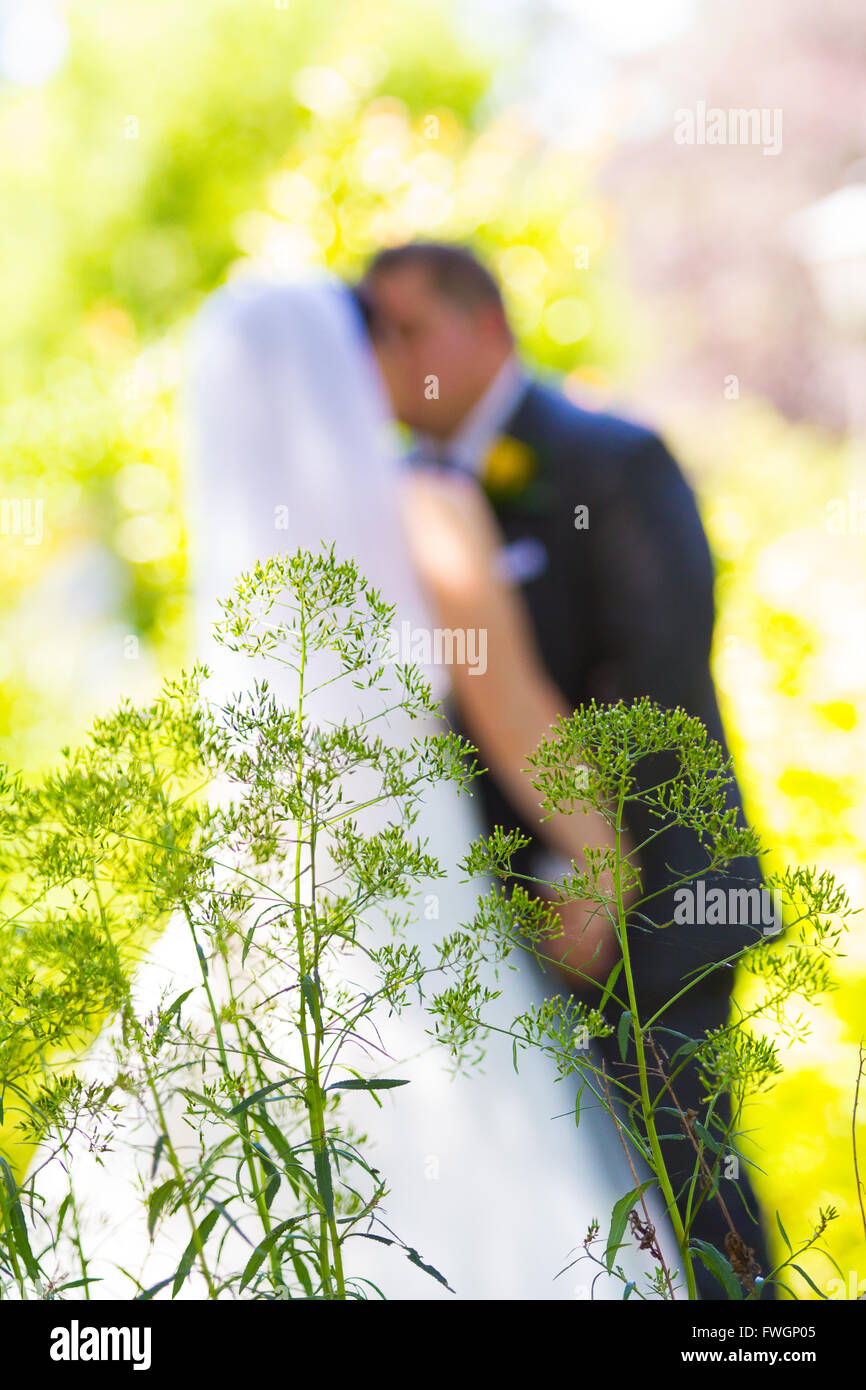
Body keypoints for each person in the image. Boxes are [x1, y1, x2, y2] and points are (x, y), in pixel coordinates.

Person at [182, 271, 682, 1298]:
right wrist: (595, 852)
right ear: (348, 363)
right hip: (427, 905)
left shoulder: (238, 550)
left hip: (270, 928)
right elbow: (510, 707)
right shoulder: (428, 507)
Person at [359, 242, 773, 1298]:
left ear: (485, 328)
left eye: (407, 330)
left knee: (690, 1179)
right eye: (372, 337)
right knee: (586, 1216)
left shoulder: (610, 458)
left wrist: (574, 865)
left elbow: (656, 684)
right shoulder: (393, 501)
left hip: (658, 892)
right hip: (504, 928)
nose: (385, 360)